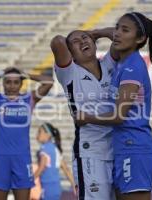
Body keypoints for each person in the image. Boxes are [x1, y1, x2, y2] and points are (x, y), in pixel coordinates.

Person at [75, 12, 152, 200]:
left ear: (140, 38)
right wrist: (97, 33)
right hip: (124, 147)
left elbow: (118, 116)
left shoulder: (132, 67)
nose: (117, 33)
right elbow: (115, 35)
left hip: (135, 148)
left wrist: (87, 118)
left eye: (125, 30)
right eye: (117, 28)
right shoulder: (123, 63)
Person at [50, 28, 119, 200]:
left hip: (119, 147)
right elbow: (57, 41)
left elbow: (122, 36)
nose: (82, 41)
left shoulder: (108, 63)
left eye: (85, 38)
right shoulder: (69, 72)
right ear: (70, 52)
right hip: (91, 151)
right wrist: (85, 37)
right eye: (75, 41)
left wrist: (97, 33)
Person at [0, 67, 53, 200]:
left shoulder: (29, 99)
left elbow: (49, 82)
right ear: (3, 83)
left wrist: (27, 74)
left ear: (21, 84)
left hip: (22, 158)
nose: (12, 86)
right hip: (0, 158)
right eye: (8, 82)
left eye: (16, 82)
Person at [34, 122, 76, 200]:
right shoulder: (56, 149)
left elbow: (42, 167)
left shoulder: (45, 148)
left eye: (40, 131)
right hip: (56, 188)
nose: (37, 134)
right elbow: (66, 169)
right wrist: (74, 184)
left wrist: (30, 180)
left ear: (48, 135)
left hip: (47, 188)